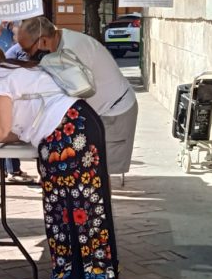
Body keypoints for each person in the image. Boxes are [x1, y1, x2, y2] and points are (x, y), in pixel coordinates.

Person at [0, 44, 118, 279]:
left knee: (63, 215)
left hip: (66, 137)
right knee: (84, 210)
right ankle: (82, 277)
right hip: (79, 125)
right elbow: (10, 127)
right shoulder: (5, 71)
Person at [16, 17, 139, 177]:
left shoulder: (73, 49)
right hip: (101, 110)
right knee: (92, 172)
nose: (27, 56)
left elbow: (73, 98)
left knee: (99, 174)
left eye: (27, 50)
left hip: (114, 111)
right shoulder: (60, 43)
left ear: (43, 41)